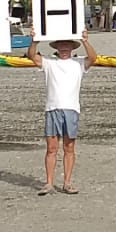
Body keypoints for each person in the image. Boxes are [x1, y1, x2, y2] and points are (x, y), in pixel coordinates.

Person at [31, 36, 100, 194]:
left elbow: (94, 58)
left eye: (67, 45)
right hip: (52, 108)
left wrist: (85, 40)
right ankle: (48, 182)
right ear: (57, 47)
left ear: (71, 47)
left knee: (69, 148)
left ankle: (67, 182)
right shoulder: (49, 62)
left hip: (71, 108)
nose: (64, 49)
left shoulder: (79, 63)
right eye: (61, 45)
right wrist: (34, 40)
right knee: (51, 148)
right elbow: (32, 56)